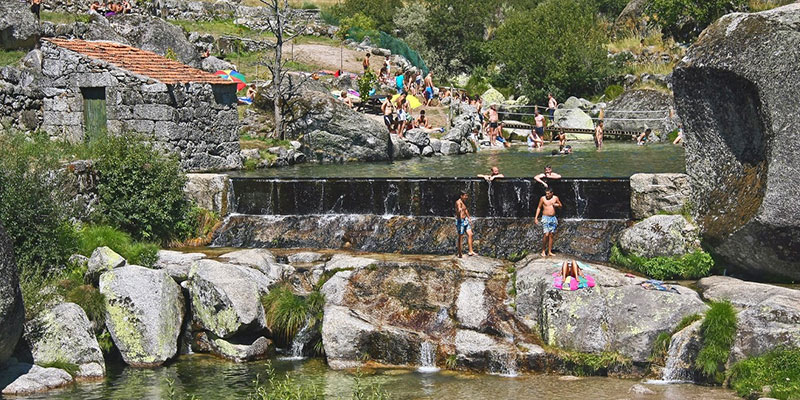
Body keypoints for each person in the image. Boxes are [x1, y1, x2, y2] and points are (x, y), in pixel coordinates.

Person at [534, 187, 562, 257]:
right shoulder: (542, 198)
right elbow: (539, 207)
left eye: (548, 194)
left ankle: (549, 251)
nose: (547, 195)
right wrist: (536, 218)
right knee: (546, 234)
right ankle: (543, 250)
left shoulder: (555, 198)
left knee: (551, 235)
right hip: (545, 218)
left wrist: (557, 205)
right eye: (546, 194)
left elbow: (561, 206)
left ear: (552, 193)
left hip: (553, 218)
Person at [455, 191, 476, 257]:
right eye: (465, 196)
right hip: (460, 221)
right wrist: (459, 210)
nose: (466, 197)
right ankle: (460, 253)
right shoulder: (458, 202)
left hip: (465, 220)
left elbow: (465, 210)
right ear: (461, 196)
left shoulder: (464, 201)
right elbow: (459, 209)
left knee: (470, 234)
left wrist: (469, 218)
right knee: (460, 237)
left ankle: (471, 251)